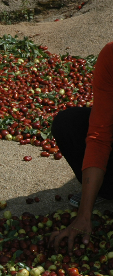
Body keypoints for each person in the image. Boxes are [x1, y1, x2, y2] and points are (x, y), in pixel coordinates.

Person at [50, 42, 113, 252]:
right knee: (68, 124)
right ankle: (100, 191)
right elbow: (99, 136)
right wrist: (83, 216)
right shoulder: (111, 56)